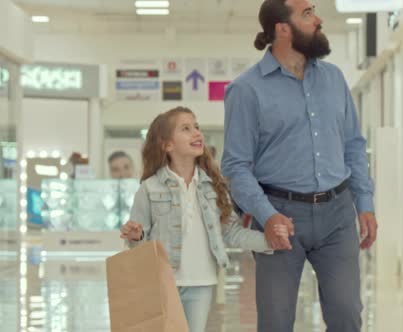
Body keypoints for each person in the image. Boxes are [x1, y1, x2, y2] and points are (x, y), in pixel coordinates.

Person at [221, 1, 378, 331]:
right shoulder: (246, 90)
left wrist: (364, 203)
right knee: (276, 322)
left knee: (347, 315)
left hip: (337, 214)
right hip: (279, 215)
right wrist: (268, 216)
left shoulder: (334, 79)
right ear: (282, 28)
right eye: (307, 13)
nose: (318, 20)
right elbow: (235, 166)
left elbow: (353, 146)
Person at [120, 107, 291, 332]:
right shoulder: (149, 188)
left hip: (202, 282)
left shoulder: (215, 187)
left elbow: (232, 233)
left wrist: (270, 241)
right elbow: (139, 243)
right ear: (167, 144)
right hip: (162, 282)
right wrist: (136, 236)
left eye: (197, 127)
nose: (196, 133)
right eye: (186, 129)